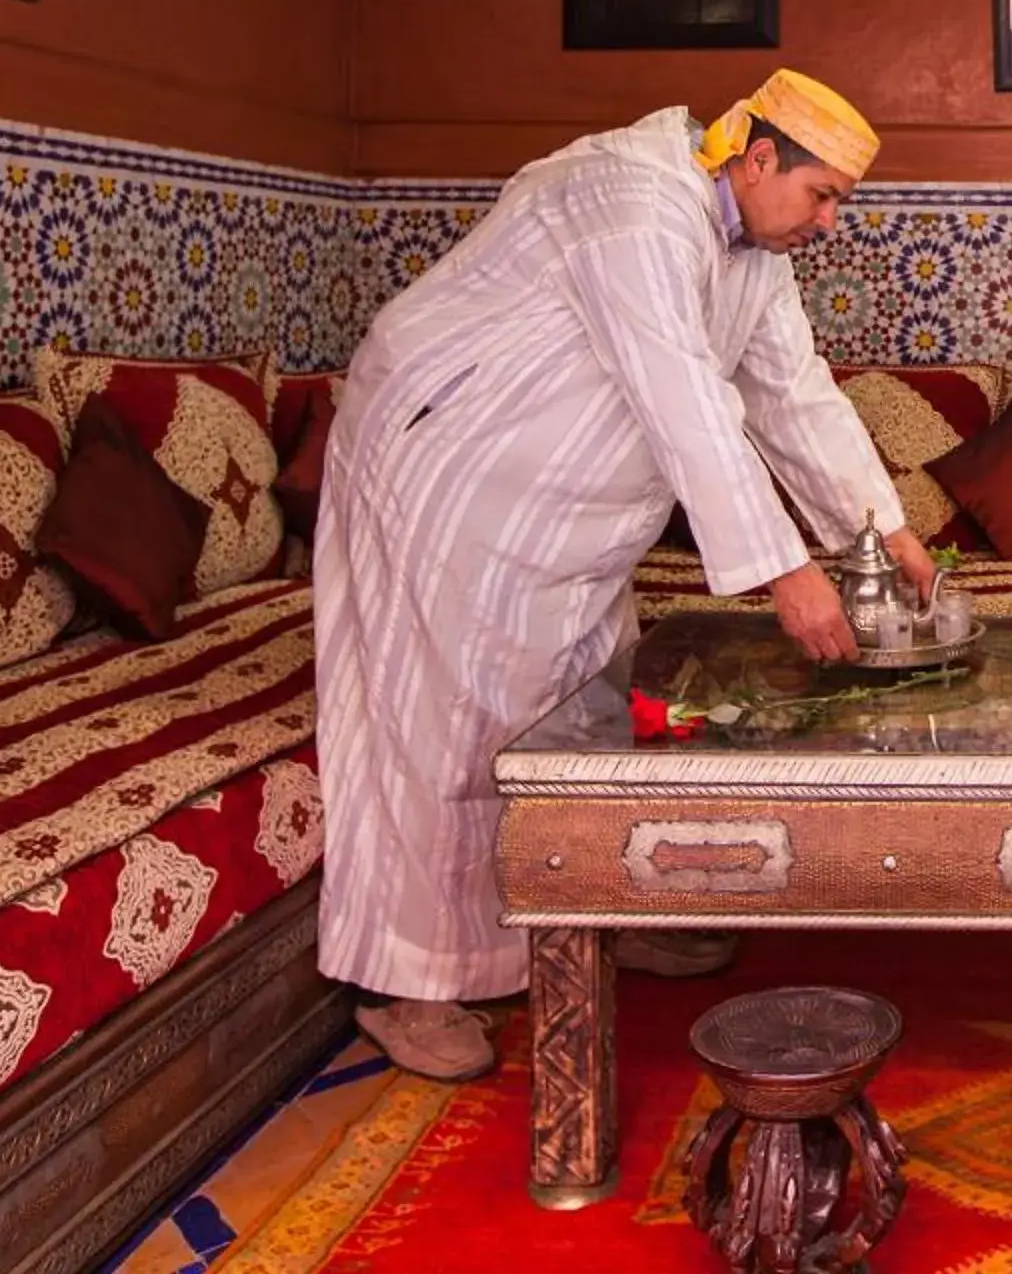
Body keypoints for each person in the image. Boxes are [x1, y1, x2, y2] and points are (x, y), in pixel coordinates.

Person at [311, 71, 941, 1081]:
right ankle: (413, 983)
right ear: (760, 155)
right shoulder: (631, 197)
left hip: (568, 511)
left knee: (588, 711)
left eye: (840, 204)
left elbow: (793, 391)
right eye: (822, 194)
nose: (829, 220)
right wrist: (786, 569)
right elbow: (682, 392)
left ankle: (594, 915)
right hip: (453, 474)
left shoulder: (752, 245)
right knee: (448, 722)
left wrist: (887, 530)